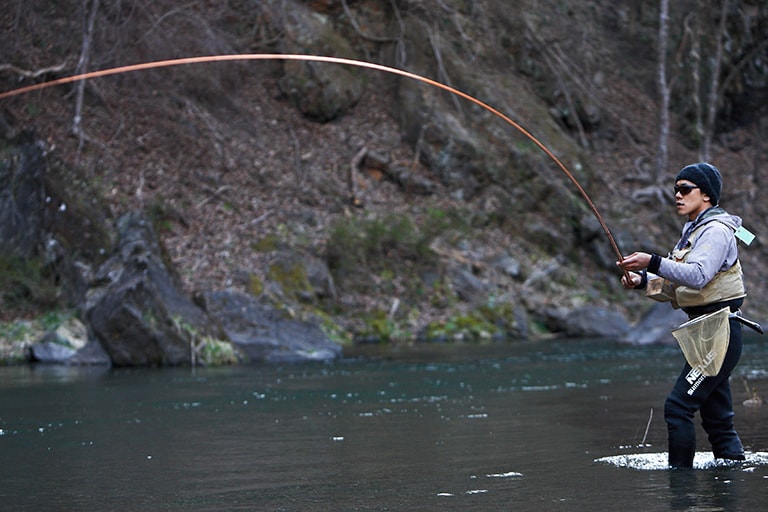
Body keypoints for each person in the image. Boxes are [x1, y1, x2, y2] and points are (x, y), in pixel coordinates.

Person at [617, 162, 747, 468]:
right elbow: (683, 286)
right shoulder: (695, 231)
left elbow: (698, 275)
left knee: (678, 408)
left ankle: (681, 488)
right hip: (708, 333)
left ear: (706, 195)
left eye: (685, 189)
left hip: (719, 334)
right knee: (717, 419)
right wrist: (642, 282)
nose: (677, 194)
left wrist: (652, 261)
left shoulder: (715, 231)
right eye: (675, 189)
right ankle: (731, 477)